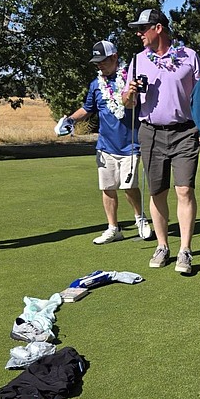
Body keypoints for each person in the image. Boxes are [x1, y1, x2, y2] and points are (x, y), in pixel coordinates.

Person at [123, 8, 200, 276]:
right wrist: (130, 95)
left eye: (142, 28)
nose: (138, 33)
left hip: (184, 132)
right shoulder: (136, 61)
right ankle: (162, 246)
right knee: (157, 192)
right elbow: (127, 102)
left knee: (184, 190)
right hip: (151, 133)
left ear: (158, 28)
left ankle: (185, 250)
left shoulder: (189, 57)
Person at [63, 39, 151, 245]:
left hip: (130, 144)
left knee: (129, 186)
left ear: (114, 57)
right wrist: (70, 120)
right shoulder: (96, 85)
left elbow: (134, 103)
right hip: (105, 145)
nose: (99, 65)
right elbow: (87, 108)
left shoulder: (130, 79)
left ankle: (140, 219)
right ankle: (113, 228)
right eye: (96, 62)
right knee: (108, 187)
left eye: (102, 61)